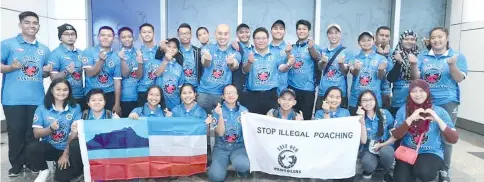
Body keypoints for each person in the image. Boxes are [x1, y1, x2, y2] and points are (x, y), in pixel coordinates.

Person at [1, 11, 52, 177]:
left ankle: (32, 163)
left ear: (39, 26)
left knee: (32, 134)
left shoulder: (44, 49)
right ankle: (16, 165)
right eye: (27, 22)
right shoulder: (8, 44)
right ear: (20, 25)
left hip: (36, 98)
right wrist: (10, 68)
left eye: (35, 23)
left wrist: (46, 72)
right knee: (15, 132)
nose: (31, 26)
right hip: (12, 98)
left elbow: (43, 73)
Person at [418, 27, 467, 182]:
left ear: (447, 38)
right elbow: (416, 79)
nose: (436, 40)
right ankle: (424, 166)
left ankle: (444, 170)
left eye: (440, 37)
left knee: (446, 136)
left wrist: (452, 65)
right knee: (424, 133)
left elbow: (459, 78)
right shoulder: (423, 56)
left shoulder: (457, 56)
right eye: (433, 37)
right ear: (429, 40)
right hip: (426, 102)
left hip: (448, 101)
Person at [392, 79, 458, 182]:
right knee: (400, 179)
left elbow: (453, 139)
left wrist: (437, 118)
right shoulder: (403, 110)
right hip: (408, 151)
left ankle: (434, 171)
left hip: (431, 151)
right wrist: (410, 118)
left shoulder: (439, 111)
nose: (418, 94)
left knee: (424, 172)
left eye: (421, 91)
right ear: (409, 94)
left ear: (427, 92)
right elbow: (396, 135)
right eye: (414, 91)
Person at [26, 78, 83, 182]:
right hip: (50, 147)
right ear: (52, 90)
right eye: (58, 89)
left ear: (69, 92)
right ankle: (44, 171)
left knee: (62, 179)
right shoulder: (42, 108)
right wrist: (50, 128)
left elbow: (74, 134)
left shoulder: (76, 108)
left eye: (65, 90)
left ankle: (76, 171)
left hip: (66, 149)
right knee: (32, 148)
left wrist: (65, 154)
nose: (61, 92)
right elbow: (36, 134)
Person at [242, 27, 294, 114]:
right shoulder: (248, 53)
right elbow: (245, 70)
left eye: (263, 38)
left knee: (271, 123)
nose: (261, 41)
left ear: (267, 39)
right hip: (252, 95)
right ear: (253, 40)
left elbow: (281, 68)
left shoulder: (275, 54)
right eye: (258, 38)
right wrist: (249, 62)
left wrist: (288, 64)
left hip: (271, 94)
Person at [207, 85, 250, 182]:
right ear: (223, 96)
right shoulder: (216, 111)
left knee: (243, 165)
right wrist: (220, 115)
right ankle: (222, 166)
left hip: (238, 146)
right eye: (227, 93)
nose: (230, 95)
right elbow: (221, 133)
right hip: (221, 147)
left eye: (233, 92)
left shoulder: (244, 111)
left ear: (238, 95)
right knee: (215, 177)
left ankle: (240, 170)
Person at [197, 24, 241, 112]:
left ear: (229, 35)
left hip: (223, 96)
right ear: (215, 34)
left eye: (225, 34)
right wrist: (207, 60)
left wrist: (231, 63)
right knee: (201, 123)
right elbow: (205, 64)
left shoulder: (235, 53)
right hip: (204, 94)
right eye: (220, 33)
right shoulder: (207, 49)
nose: (222, 37)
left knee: (221, 124)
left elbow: (234, 66)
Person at [348, 31, 393, 115]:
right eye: (363, 40)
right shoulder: (354, 58)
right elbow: (353, 73)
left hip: (374, 101)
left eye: (369, 40)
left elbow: (381, 77)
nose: (366, 42)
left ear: (374, 41)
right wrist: (356, 69)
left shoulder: (381, 58)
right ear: (358, 43)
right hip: (355, 100)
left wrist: (381, 70)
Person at [82, 26, 122, 115]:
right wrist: (100, 61)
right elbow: (89, 73)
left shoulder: (116, 56)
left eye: (109, 36)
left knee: (110, 124)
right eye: (103, 35)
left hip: (109, 94)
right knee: (92, 123)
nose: (105, 38)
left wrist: (117, 103)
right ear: (98, 37)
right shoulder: (88, 52)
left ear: (113, 38)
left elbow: (117, 81)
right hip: (91, 93)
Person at [356, 90, 395, 181]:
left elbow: (392, 129)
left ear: (375, 100)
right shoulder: (357, 118)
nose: (368, 103)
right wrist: (362, 121)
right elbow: (363, 141)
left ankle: (386, 170)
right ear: (360, 103)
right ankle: (369, 171)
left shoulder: (385, 113)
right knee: (368, 164)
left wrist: (384, 144)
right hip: (368, 149)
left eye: (371, 99)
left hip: (385, 146)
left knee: (387, 152)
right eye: (364, 100)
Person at [287, 19, 322, 120]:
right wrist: (288, 52)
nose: (301, 31)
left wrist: (311, 48)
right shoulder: (292, 47)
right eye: (299, 29)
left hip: (307, 90)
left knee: (305, 120)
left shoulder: (314, 47)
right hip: (292, 88)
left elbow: (317, 58)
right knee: (290, 119)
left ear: (309, 31)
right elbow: (288, 63)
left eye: (304, 29)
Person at [49, 24, 85, 111]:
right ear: (60, 37)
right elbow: (53, 78)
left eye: (73, 34)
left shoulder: (82, 53)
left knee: (80, 123)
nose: (70, 36)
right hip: (63, 97)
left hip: (81, 95)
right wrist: (66, 71)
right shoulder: (55, 54)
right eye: (66, 34)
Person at [315, 24, 351, 110]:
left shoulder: (347, 52)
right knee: (320, 119)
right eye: (330, 33)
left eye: (336, 33)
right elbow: (320, 68)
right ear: (327, 35)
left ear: (340, 34)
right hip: (323, 92)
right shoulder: (323, 51)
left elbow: (345, 72)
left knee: (339, 121)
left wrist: (341, 64)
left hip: (340, 93)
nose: (333, 35)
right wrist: (323, 62)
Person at [387, 30, 420, 116]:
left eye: (412, 39)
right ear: (401, 40)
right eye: (406, 39)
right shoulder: (394, 55)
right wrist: (398, 63)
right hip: (399, 98)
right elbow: (390, 78)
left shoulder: (421, 55)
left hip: (417, 96)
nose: (409, 41)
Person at [117, 27, 143, 117]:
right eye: (123, 37)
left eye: (129, 36)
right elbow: (125, 74)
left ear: (133, 37)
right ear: (119, 39)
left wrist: (140, 61)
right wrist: (122, 59)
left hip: (138, 96)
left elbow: (139, 76)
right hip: (124, 97)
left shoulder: (139, 52)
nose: (127, 39)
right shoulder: (117, 54)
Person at [153, 38, 185, 109]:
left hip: (175, 103)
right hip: (158, 103)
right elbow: (157, 74)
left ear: (177, 50)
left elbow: (180, 87)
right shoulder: (157, 62)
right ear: (164, 48)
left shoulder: (179, 67)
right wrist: (166, 60)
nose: (172, 49)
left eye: (174, 47)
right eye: (169, 46)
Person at [138, 23, 160, 106]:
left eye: (149, 32)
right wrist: (140, 62)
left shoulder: (160, 51)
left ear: (153, 33)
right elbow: (138, 76)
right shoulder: (138, 52)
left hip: (159, 91)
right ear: (140, 35)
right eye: (144, 32)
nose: (147, 34)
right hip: (143, 90)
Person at [269, 20, 292, 95]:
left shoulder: (290, 48)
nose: (278, 31)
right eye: (275, 28)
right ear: (271, 31)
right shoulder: (265, 48)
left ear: (285, 32)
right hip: (268, 90)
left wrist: (288, 53)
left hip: (283, 90)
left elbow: (291, 63)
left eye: (281, 29)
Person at [178, 23, 203, 88]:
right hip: (180, 89)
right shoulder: (175, 52)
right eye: (182, 34)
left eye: (187, 33)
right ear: (178, 35)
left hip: (196, 88)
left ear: (191, 34)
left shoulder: (198, 51)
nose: (184, 36)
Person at [374, 26, 393, 110]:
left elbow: (390, 71)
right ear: (376, 36)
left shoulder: (392, 52)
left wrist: (384, 55)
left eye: (387, 36)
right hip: (371, 90)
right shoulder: (369, 49)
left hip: (385, 91)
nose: (384, 38)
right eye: (381, 35)